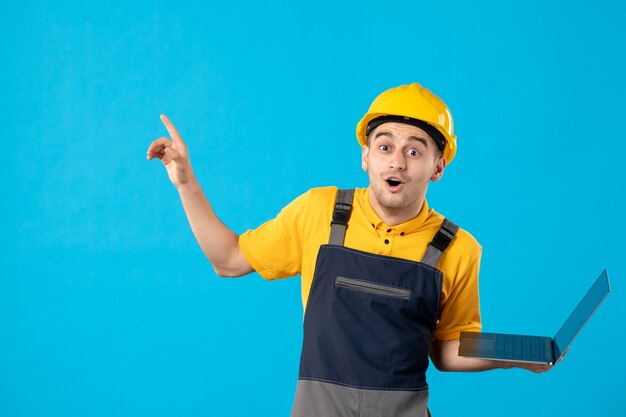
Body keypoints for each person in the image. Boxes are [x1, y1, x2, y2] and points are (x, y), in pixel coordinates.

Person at [146, 83, 556, 417]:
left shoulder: (458, 248)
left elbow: (449, 349)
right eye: (385, 146)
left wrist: (516, 352)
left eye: (414, 151)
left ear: (437, 166)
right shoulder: (319, 212)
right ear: (365, 156)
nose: (397, 162)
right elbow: (229, 260)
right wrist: (185, 181)